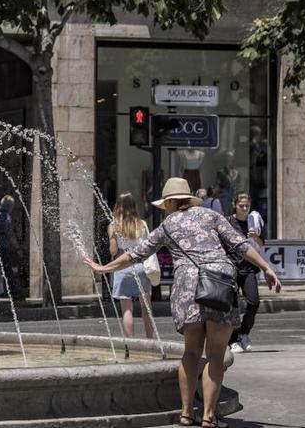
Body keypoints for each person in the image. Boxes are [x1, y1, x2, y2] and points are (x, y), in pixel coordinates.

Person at [83, 178, 281, 428]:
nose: (164, 208)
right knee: (216, 355)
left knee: (190, 353)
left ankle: (186, 414)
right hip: (219, 284)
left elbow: (136, 254)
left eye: (165, 203)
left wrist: (104, 268)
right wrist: (266, 267)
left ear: (172, 202)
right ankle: (209, 417)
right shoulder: (211, 216)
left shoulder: (168, 224)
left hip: (187, 288)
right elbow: (240, 244)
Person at [107, 192, 154, 338]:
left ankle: (132, 342)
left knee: (127, 309)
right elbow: (148, 246)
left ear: (118, 206)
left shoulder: (114, 226)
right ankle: (151, 339)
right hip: (141, 266)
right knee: (146, 307)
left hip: (123, 267)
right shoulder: (142, 224)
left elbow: (113, 251)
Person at [226, 192, 265, 354]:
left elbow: (262, 245)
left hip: (249, 268)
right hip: (232, 268)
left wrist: (256, 237)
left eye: (247, 206)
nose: (244, 208)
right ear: (235, 205)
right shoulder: (228, 221)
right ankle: (232, 340)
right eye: (241, 205)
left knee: (253, 302)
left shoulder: (252, 222)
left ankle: (244, 333)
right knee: (233, 305)